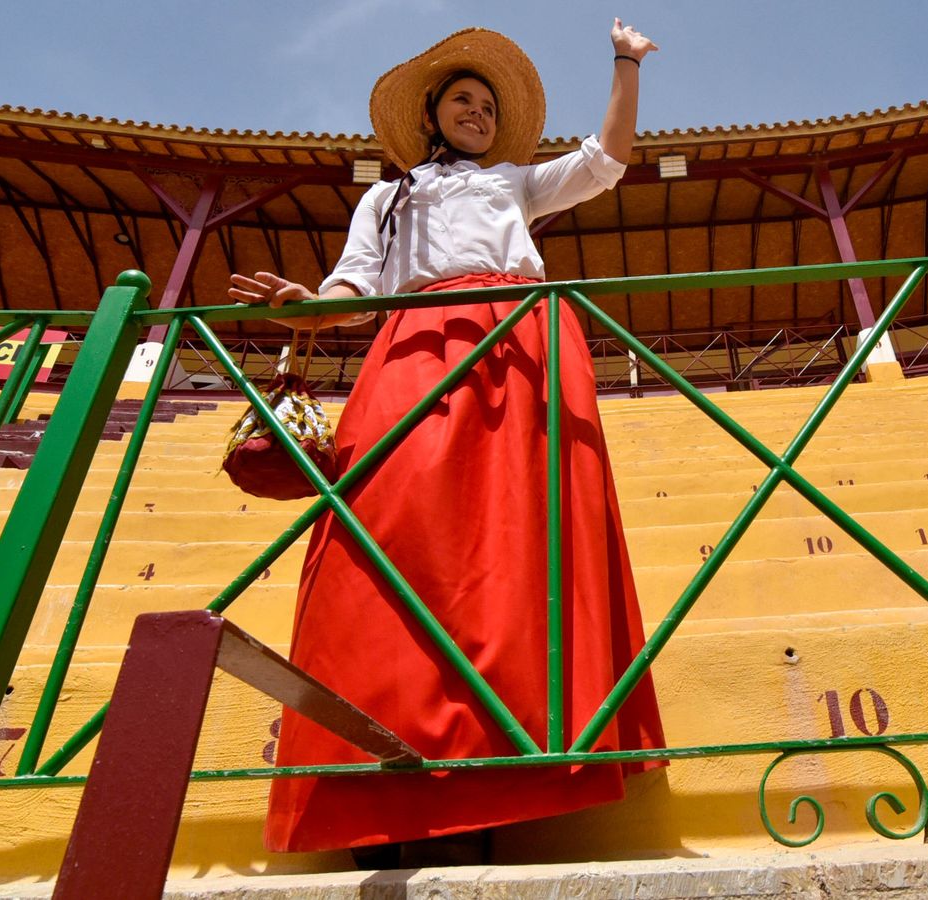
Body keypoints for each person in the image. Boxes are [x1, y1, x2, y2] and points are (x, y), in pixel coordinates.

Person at [228, 22, 666, 863]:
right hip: (414, 346)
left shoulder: (514, 183)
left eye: (488, 105)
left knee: (512, 554)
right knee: (387, 545)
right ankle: (377, 777)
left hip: (519, 344)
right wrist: (306, 306)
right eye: (463, 100)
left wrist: (624, 66)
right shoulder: (385, 200)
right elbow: (352, 292)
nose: (477, 112)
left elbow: (606, 159)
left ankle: (492, 787)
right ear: (431, 115)